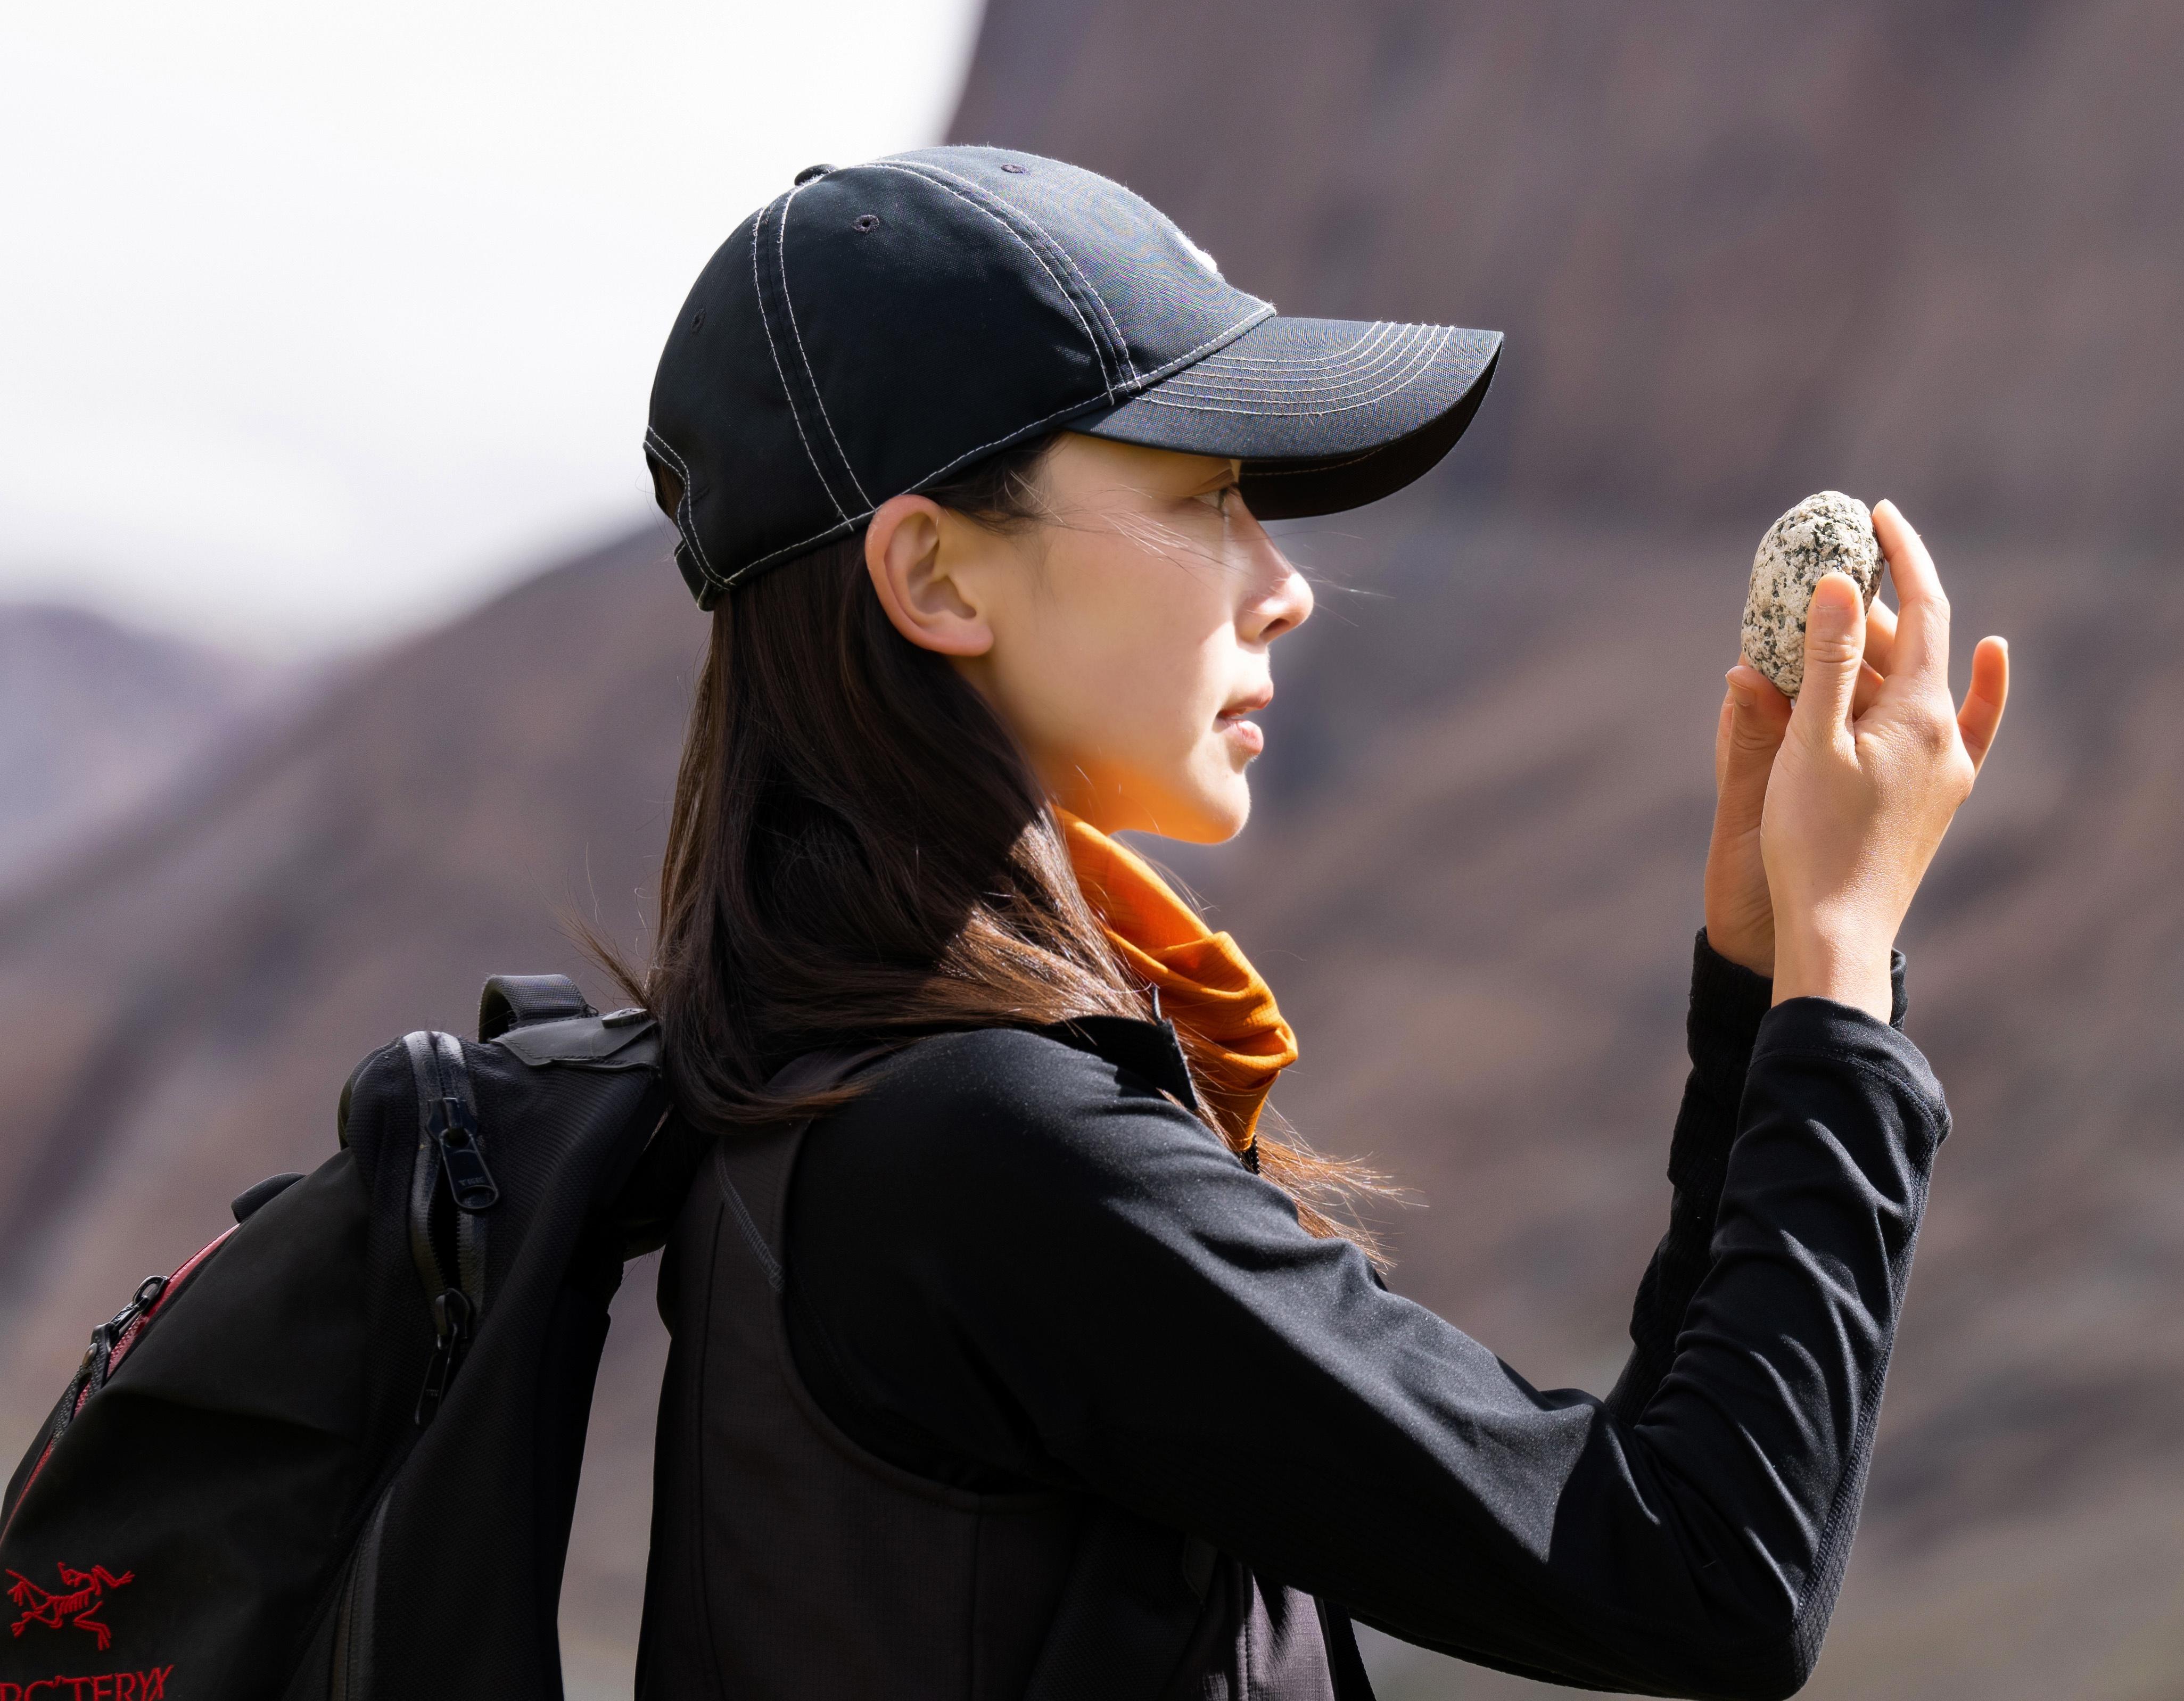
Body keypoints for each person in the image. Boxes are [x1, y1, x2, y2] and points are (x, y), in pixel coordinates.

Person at [627, 147, 2009, 1701]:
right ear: (936, 573)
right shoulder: (989, 1145)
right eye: (1202, 497)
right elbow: (1706, 1575)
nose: (1283, 584)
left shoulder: (827, 1076)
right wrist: (1836, 971)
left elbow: (1647, 1499)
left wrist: (1767, 983)